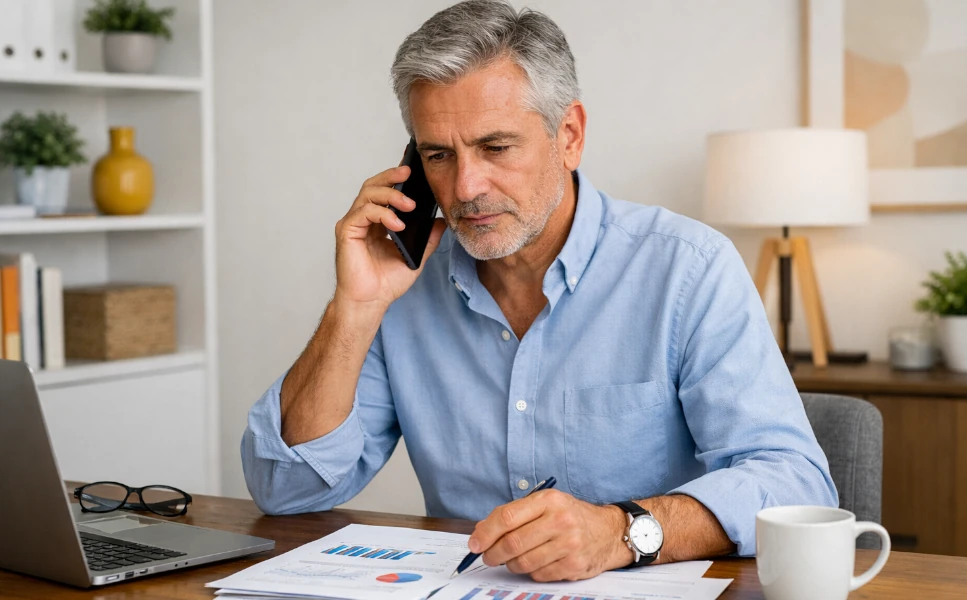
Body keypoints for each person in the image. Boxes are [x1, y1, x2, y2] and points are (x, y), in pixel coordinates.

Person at [242, 0, 837, 583]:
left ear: (569, 135)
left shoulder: (688, 270)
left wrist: (621, 532)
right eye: (438, 155)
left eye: (495, 147)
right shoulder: (405, 285)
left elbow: (795, 483)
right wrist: (355, 308)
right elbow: (285, 489)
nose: (466, 187)